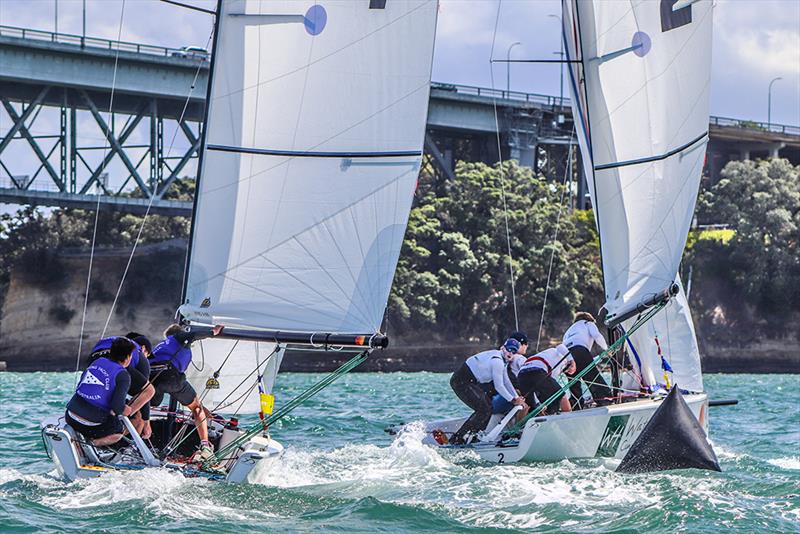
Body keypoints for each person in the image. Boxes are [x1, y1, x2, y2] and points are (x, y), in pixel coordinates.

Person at [149, 323, 223, 461]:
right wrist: (213, 331)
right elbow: (193, 335)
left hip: (152, 377)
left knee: (150, 405)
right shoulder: (177, 337)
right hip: (171, 376)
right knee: (196, 408)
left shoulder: (160, 345)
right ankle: (205, 446)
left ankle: (136, 439)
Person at [449, 338, 526, 445]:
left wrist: (516, 398)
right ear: (503, 348)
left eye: (513, 351)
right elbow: (499, 386)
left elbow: (506, 382)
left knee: (487, 408)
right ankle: (458, 439)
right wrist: (513, 400)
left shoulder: (502, 361)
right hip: (461, 381)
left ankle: (474, 435)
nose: (510, 353)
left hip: (470, 381)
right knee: (484, 409)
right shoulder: (497, 362)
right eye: (509, 349)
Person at [65, 337, 136, 446]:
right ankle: (91, 444)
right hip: (92, 424)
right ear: (127, 358)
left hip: (70, 416)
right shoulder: (123, 375)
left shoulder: (97, 361)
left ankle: (80, 439)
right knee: (119, 430)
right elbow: (117, 408)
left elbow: (81, 386)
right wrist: (126, 410)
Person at [88, 334, 155, 439]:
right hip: (114, 362)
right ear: (143, 348)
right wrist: (146, 421)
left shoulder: (115, 341)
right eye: (148, 354)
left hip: (94, 359)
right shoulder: (140, 356)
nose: (147, 358)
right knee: (143, 406)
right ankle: (117, 429)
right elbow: (144, 392)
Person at [563, 312, 613, 408]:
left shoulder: (569, 330)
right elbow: (597, 336)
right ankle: (604, 398)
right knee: (591, 375)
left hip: (566, 354)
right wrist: (607, 349)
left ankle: (576, 404)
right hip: (580, 350)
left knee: (573, 381)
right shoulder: (588, 323)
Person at [517, 343, 575, 415]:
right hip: (537, 372)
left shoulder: (546, 353)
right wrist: (572, 361)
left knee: (531, 407)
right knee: (560, 395)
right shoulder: (562, 357)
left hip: (521, 375)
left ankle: (528, 424)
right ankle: (568, 419)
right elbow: (560, 345)